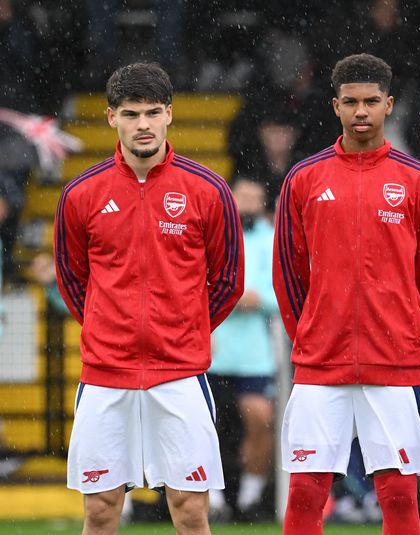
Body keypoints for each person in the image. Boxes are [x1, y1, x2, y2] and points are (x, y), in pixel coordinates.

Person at [54, 62, 244, 535]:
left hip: (179, 373)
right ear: (110, 117)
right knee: (99, 510)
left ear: (170, 115)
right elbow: (72, 279)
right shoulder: (81, 194)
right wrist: (108, 324)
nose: (143, 124)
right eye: (132, 113)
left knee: (190, 508)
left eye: (153, 112)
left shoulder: (208, 189)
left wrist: (183, 326)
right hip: (106, 374)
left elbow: (228, 279)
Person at [273, 53, 420, 535]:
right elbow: (288, 276)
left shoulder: (419, 182)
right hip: (320, 362)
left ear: (389, 105)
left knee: (398, 493)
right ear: (335, 106)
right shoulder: (304, 179)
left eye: (372, 101)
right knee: (307, 491)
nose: (361, 111)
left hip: (393, 361)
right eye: (350, 102)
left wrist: (415, 347)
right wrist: (309, 336)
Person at [207, 177, 278, 520]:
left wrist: (259, 298)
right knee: (207, 426)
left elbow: (284, 292)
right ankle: (214, 499)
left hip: (253, 356)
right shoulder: (213, 235)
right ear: (230, 200)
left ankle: (250, 498)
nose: (248, 204)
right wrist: (229, 297)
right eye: (243, 197)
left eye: (255, 198)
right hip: (213, 352)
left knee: (261, 421)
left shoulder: (271, 239)